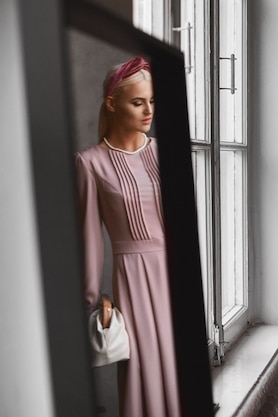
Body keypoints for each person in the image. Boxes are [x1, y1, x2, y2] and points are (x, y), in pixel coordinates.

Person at [75, 56, 180, 417]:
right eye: (138, 102)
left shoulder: (165, 153)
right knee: (144, 373)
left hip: (177, 277)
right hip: (133, 279)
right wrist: (91, 303)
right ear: (112, 103)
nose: (148, 110)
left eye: (152, 101)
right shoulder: (90, 163)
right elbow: (88, 239)